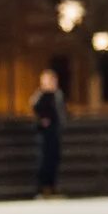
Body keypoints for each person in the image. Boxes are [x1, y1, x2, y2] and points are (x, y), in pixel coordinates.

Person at [31, 69, 67, 197]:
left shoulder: (58, 94)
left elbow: (61, 111)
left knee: (54, 159)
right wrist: (43, 119)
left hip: (55, 131)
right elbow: (36, 108)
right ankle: (44, 187)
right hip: (45, 133)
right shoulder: (41, 95)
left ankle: (52, 186)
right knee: (44, 160)